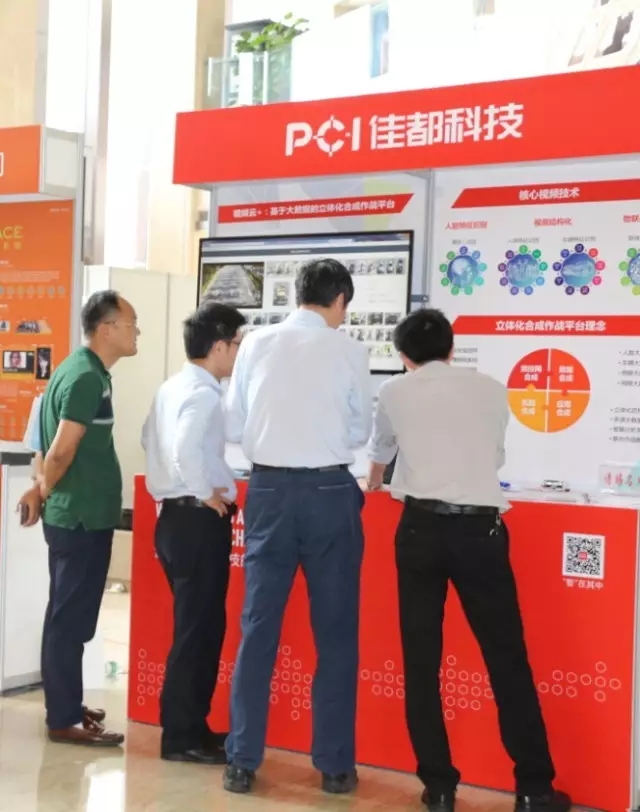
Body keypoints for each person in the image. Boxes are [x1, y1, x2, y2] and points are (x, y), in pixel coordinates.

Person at [366, 309, 571, 812]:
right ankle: (534, 789)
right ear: (452, 348)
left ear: (403, 356)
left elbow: (381, 453)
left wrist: (375, 482)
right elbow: (495, 457)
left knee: (421, 661)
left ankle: (438, 788)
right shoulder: (492, 389)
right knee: (507, 658)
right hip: (480, 532)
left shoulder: (393, 391)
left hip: (419, 530)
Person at [223, 258, 372, 796]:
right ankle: (334, 767)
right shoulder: (350, 351)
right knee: (335, 632)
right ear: (339, 300)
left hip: (267, 491)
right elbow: (359, 430)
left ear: (297, 294)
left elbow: (234, 422)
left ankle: (241, 761)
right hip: (329, 493)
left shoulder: (255, 344)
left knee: (258, 627)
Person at [17, 290, 139, 746]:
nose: (137, 333)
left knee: (67, 617)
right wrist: (44, 487)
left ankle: (65, 703)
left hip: (79, 515)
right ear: (107, 329)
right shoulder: (86, 377)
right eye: (132, 325)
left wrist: (39, 485)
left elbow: (41, 439)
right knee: (68, 621)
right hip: (81, 518)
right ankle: (63, 718)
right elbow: (61, 448)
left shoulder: (77, 369)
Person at [141, 302, 246, 765]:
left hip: (174, 520)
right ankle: (182, 736)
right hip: (196, 521)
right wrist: (205, 492)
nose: (239, 353)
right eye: (237, 344)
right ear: (218, 346)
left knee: (198, 628)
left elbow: (149, 439)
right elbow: (184, 449)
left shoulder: (171, 387)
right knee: (197, 631)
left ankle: (191, 728)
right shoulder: (203, 395)